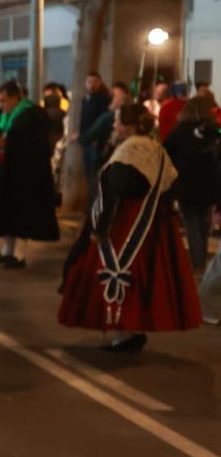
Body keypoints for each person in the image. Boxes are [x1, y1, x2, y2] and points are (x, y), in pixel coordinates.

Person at [59, 105, 202, 351]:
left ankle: (125, 331)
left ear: (130, 125)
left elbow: (117, 188)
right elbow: (172, 183)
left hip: (126, 222)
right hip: (155, 221)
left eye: (117, 121)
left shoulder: (128, 151)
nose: (114, 125)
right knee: (147, 275)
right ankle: (134, 330)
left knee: (122, 275)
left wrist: (99, 227)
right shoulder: (155, 147)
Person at [0, 81, 59, 268]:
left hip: (27, 174)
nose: (2, 105)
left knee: (23, 214)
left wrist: (7, 144)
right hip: (10, 172)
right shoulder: (10, 115)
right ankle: (7, 250)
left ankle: (19, 254)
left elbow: (30, 146)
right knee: (7, 213)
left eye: (4, 100)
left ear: (15, 97)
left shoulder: (31, 115)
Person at [163, 96, 219, 271]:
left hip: (186, 184)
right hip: (209, 184)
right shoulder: (213, 130)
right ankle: (200, 258)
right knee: (203, 222)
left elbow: (165, 152)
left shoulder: (180, 130)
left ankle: (198, 262)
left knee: (192, 222)